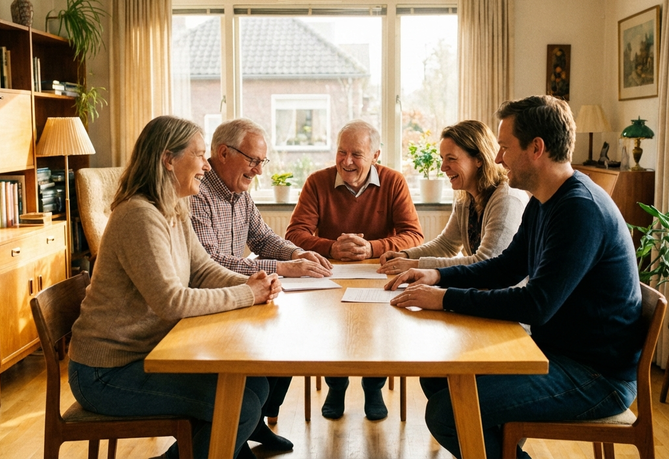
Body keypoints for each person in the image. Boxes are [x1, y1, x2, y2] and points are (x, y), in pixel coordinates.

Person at [386, 95, 644, 459]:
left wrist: (444, 298)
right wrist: (435, 276)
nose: (498, 158)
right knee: (437, 375)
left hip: (595, 377)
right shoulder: (544, 200)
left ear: (536, 148)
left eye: (505, 147)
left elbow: (536, 304)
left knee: (447, 413)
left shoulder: (578, 210)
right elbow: (504, 267)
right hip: (556, 353)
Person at [67, 115, 289, 459]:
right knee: (241, 407)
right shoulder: (138, 215)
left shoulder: (173, 206)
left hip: (148, 354)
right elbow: (171, 301)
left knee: (254, 385)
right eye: (199, 155)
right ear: (168, 160)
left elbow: (201, 269)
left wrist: (251, 283)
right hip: (106, 372)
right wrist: (247, 294)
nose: (205, 165)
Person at [190, 117, 332, 434]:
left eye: (261, 161)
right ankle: (245, 424)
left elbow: (263, 238)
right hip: (209, 306)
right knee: (279, 339)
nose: (258, 170)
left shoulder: (239, 191)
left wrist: (296, 254)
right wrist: (281, 268)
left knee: (290, 338)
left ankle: (252, 424)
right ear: (223, 153)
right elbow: (209, 262)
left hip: (237, 298)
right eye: (253, 160)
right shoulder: (195, 192)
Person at [286, 119, 424, 421]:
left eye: (356, 154)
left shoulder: (394, 182)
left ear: (376, 155)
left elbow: (414, 235)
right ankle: (337, 385)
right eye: (341, 152)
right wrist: (331, 247)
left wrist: (373, 248)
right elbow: (294, 233)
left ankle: (373, 387)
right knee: (328, 323)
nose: (346, 162)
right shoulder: (317, 182)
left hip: (379, 275)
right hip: (329, 275)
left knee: (382, 324)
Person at [377, 119, 529, 275]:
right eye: (443, 158)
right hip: (480, 289)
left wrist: (414, 264)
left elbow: (485, 262)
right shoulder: (466, 198)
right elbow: (446, 245)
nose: (443, 167)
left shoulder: (507, 199)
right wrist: (405, 255)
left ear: (479, 159)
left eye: (451, 158)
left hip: (503, 294)